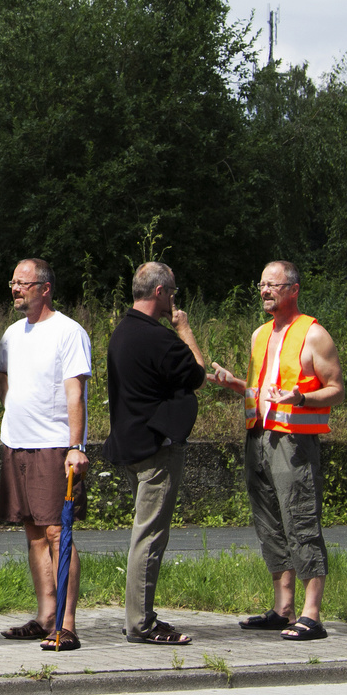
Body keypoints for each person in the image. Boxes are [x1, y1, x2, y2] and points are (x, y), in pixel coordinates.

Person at [209, 260, 345, 641]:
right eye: (262, 285)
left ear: (294, 289)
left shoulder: (314, 335)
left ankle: (311, 614)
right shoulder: (260, 335)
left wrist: (301, 396)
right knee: (269, 523)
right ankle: (282, 608)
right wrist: (234, 383)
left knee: (300, 519)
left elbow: (337, 389)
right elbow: (262, 391)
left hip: (294, 443)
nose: (266, 292)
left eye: (274, 285)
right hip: (258, 438)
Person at [105, 261, 208, 645]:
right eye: (173, 292)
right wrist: (184, 329)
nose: (174, 300)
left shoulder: (122, 333)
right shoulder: (160, 338)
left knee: (144, 534)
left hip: (131, 445)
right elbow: (197, 372)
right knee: (149, 537)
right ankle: (140, 624)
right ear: (161, 292)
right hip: (155, 450)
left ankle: (140, 615)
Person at [0, 258, 91, 652]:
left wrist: (75, 446)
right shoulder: (13, 334)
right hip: (17, 441)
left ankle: (67, 624)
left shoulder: (68, 332)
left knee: (56, 531)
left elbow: (75, 393)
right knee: (33, 532)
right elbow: (0, 370)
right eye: (13, 283)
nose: (16, 289)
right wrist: (10, 405)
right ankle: (45, 616)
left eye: (23, 283)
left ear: (45, 288)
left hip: (54, 445)